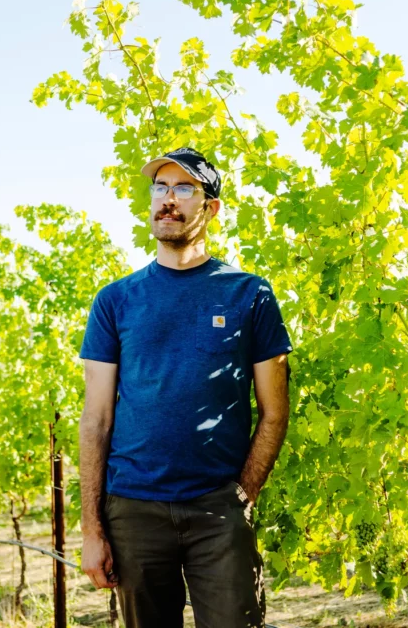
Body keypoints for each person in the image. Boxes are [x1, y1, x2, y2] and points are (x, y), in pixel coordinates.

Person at [78, 147, 293, 628]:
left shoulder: (249, 294)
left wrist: (243, 494)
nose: (167, 200)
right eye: (159, 188)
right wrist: (92, 528)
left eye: (183, 188)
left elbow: (274, 412)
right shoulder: (115, 301)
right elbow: (96, 419)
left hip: (218, 510)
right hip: (133, 511)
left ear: (210, 207)